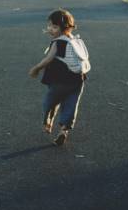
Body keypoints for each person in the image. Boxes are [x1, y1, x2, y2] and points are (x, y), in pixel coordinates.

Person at [29, 9, 89, 146]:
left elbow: (48, 59)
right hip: (77, 80)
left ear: (65, 28)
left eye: (54, 27)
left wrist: (36, 68)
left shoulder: (58, 42)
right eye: (49, 26)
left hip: (59, 80)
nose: (50, 29)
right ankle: (63, 130)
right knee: (70, 105)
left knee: (50, 102)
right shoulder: (75, 40)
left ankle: (47, 121)